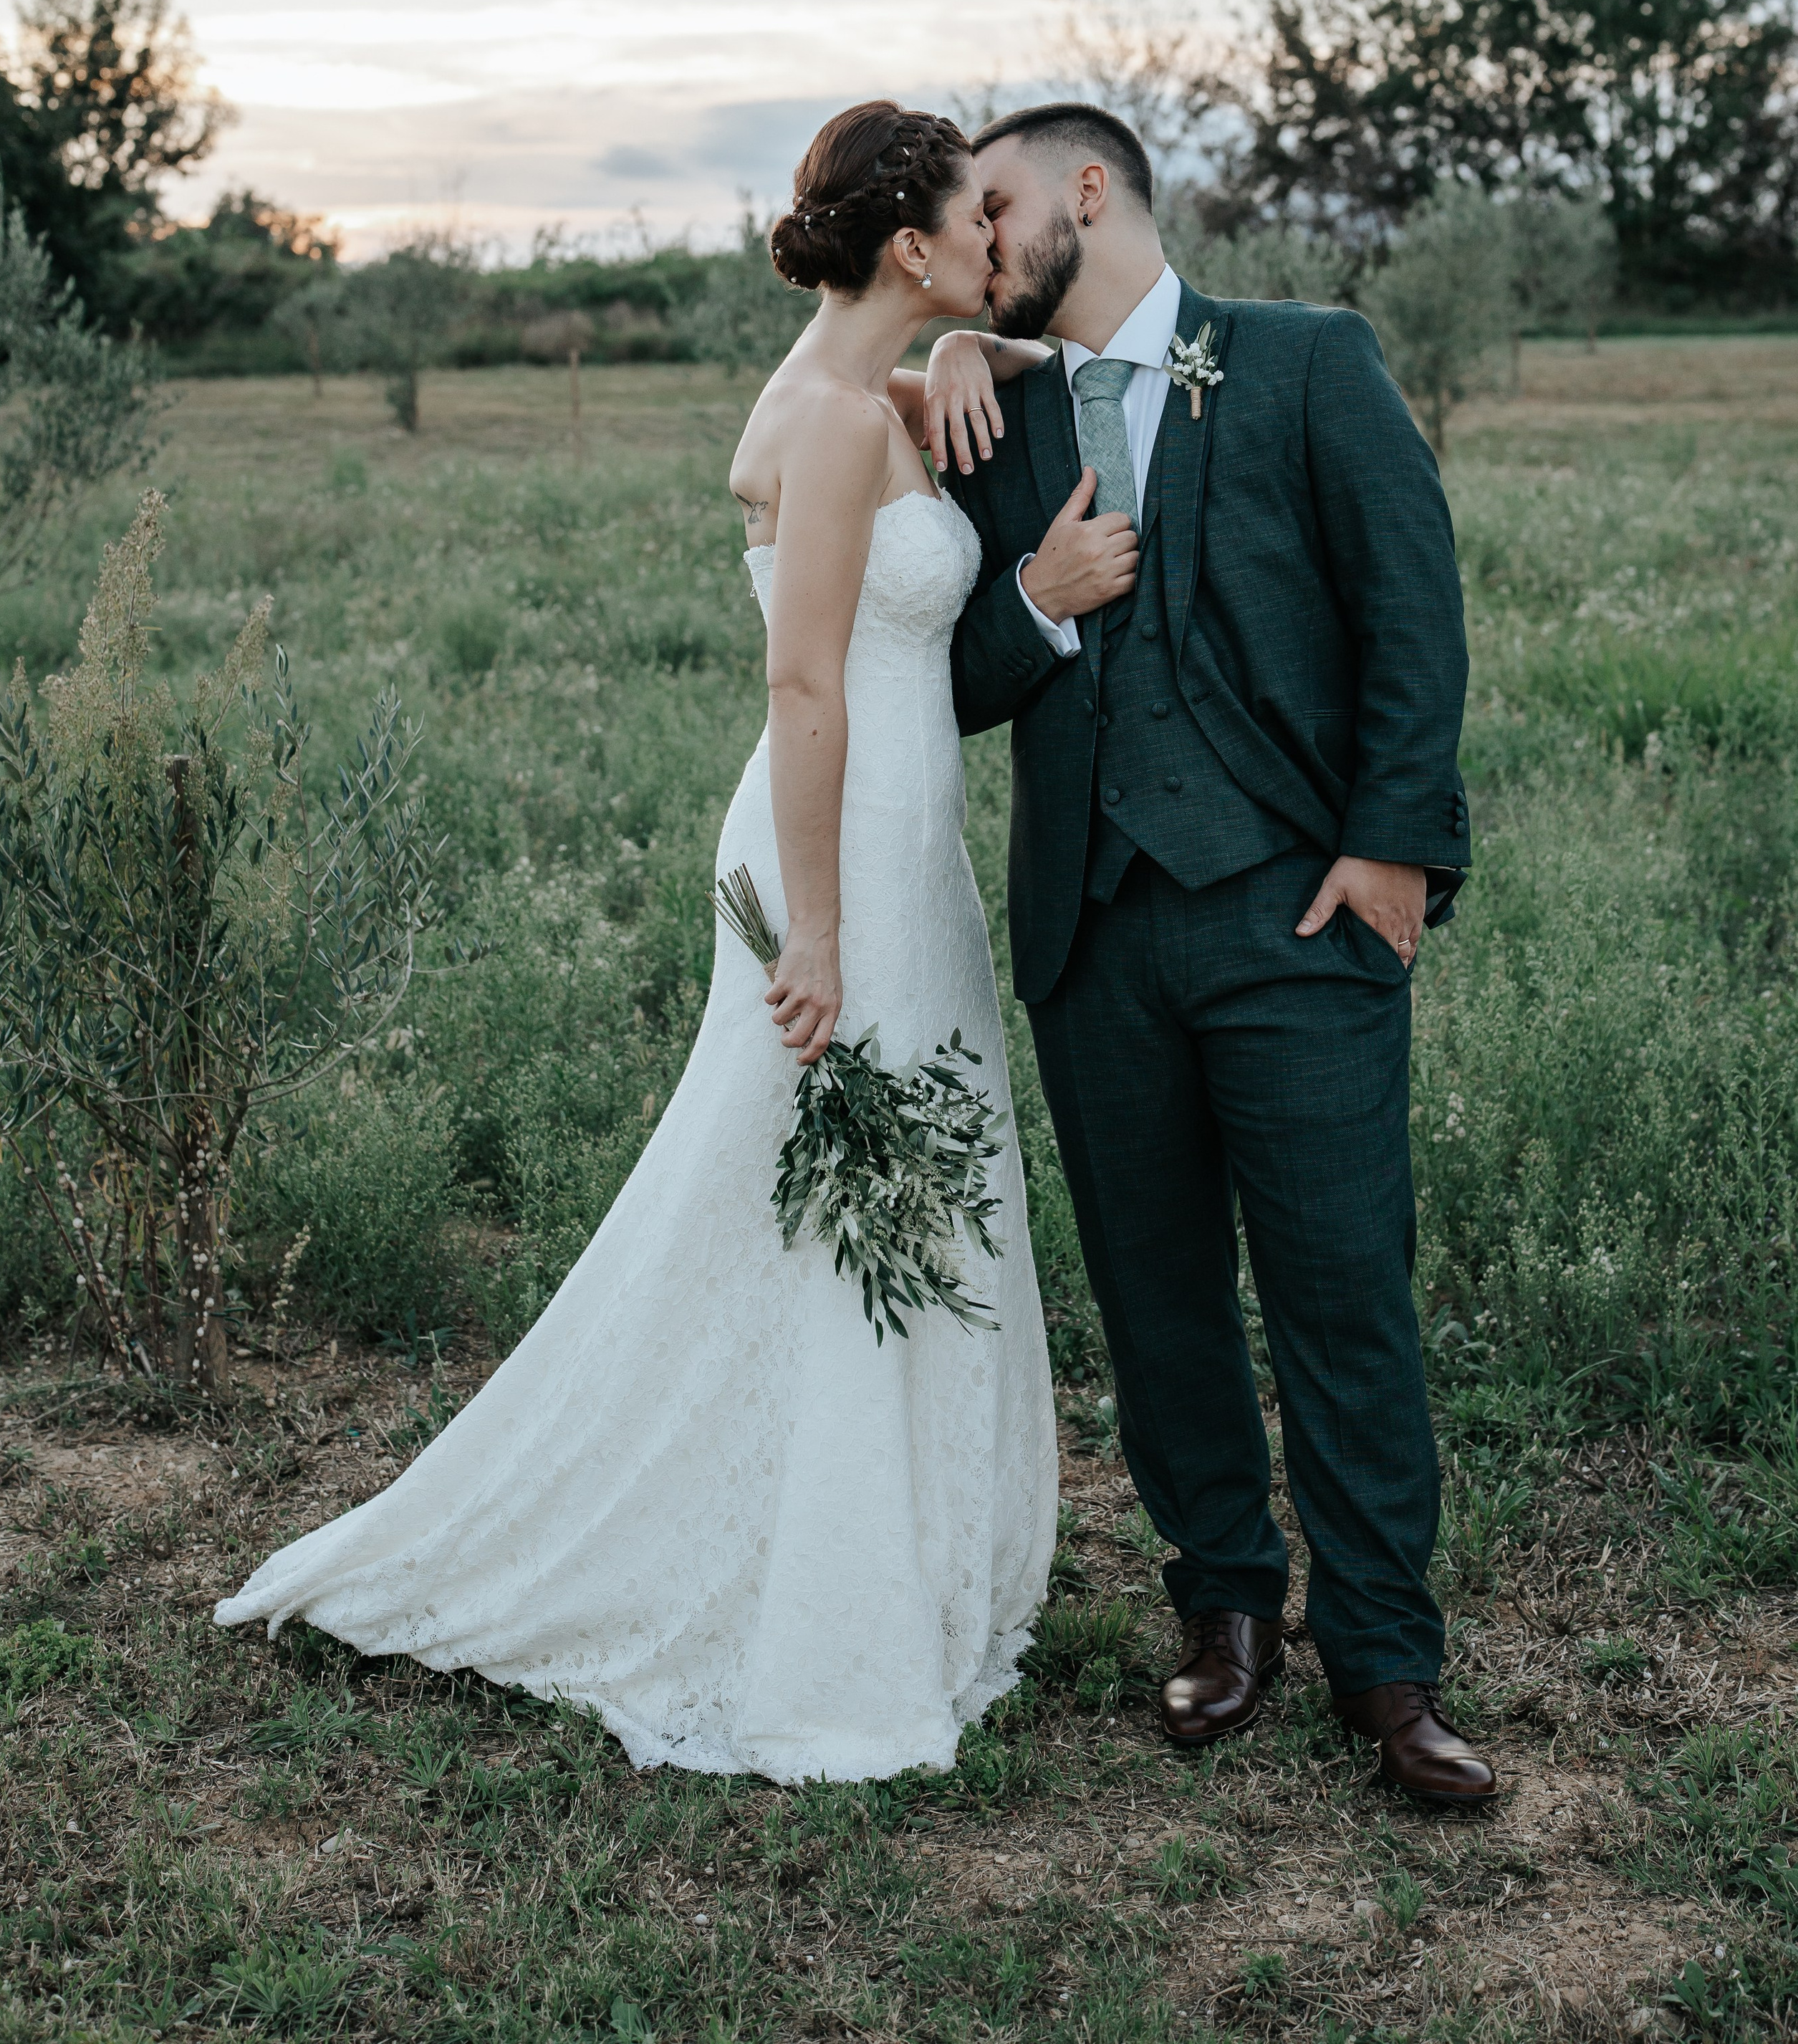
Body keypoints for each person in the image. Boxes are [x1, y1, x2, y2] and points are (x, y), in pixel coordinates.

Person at [216, 102, 1058, 1786]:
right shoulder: (826, 417)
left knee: (865, 1196)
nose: (999, 239)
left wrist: (969, 350)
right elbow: (804, 686)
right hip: (838, 854)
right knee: (811, 1206)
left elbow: (961, 393)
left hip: (895, 839)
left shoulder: (855, 386)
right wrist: (813, 929)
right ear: (910, 241)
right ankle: (797, 1593)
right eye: (977, 221)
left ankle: (880, 1547)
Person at [915, 101, 1494, 1808]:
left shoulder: (1305, 361)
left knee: (1340, 1294)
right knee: (1157, 1299)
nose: (978, 244)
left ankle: (1386, 1662)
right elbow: (936, 679)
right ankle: (1223, 1608)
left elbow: (1411, 601)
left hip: (1293, 918)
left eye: (997, 208)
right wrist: (1030, 596)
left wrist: (1391, 844)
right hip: (1092, 930)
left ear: (1088, 193)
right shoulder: (991, 408)